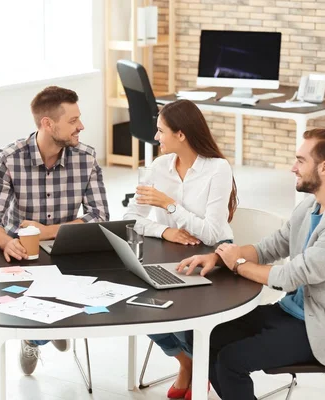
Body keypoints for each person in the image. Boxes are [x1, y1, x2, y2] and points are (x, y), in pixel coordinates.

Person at [178, 129, 325, 400]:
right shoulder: (311, 207)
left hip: (323, 327)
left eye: (301, 160)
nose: (293, 168)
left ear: (324, 167)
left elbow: (294, 274)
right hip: (291, 312)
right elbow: (269, 247)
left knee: (232, 360)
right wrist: (220, 257)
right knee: (199, 336)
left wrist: (238, 265)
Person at [0, 85, 109, 375]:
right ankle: (41, 332)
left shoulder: (85, 158)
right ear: (47, 124)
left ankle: (43, 330)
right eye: (73, 121)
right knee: (31, 308)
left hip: (67, 252)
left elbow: (100, 216)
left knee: (77, 305)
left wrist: (49, 231)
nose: (82, 126)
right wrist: (4, 243)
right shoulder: (9, 158)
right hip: (22, 255)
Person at [123, 99, 236, 399]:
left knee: (186, 316)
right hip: (171, 254)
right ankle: (187, 362)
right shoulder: (159, 167)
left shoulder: (217, 169)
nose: (156, 137)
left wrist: (167, 204)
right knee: (140, 307)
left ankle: (199, 365)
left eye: (161, 131)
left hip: (215, 256)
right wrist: (165, 230)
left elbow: (212, 233)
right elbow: (129, 219)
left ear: (181, 134)